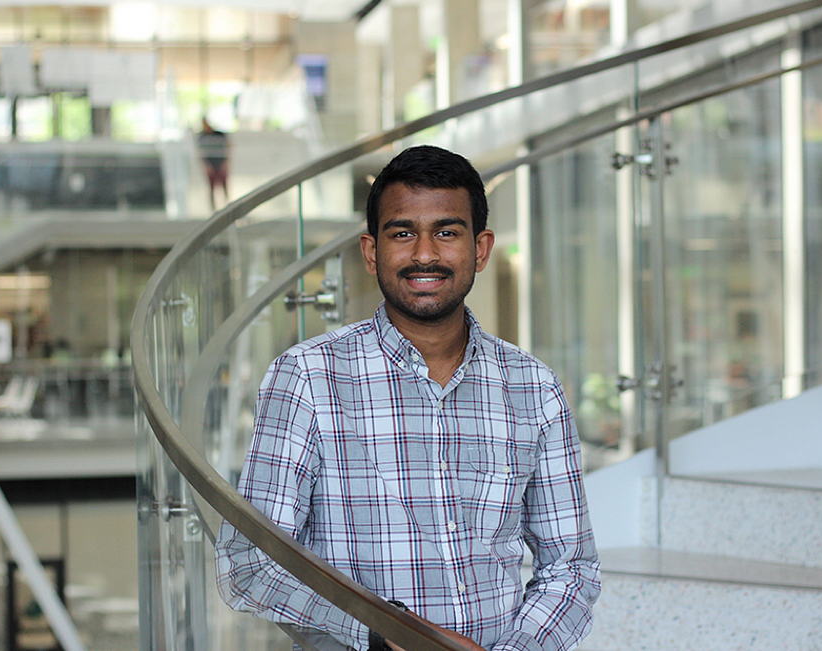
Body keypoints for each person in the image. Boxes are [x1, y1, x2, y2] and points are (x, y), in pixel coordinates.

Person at [215, 145, 601, 651]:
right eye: (402, 233)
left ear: (480, 249)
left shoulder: (533, 387)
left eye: (446, 232)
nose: (425, 254)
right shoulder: (308, 378)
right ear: (372, 251)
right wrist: (380, 633)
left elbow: (571, 566)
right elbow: (248, 562)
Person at [199, 117, 230, 209]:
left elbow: (228, 146)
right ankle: (212, 208)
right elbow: (201, 152)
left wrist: (226, 163)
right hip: (211, 164)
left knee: (224, 186)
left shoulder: (219, 134)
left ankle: (227, 205)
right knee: (211, 187)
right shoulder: (202, 136)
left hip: (220, 163)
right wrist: (206, 166)